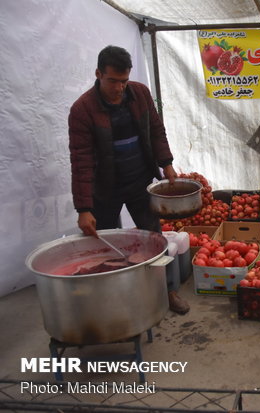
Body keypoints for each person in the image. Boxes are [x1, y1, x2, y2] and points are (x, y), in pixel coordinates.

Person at [68, 45, 190, 315]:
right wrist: (83, 208)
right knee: (106, 247)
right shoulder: (83, 109)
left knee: (154, 239)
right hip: (105, 189)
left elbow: (157, 130)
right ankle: (115, 300)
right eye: (113, 81)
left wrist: (166, 163)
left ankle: (166, 292)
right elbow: (81, 160)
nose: (120, 88)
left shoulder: (140, 94)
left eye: (124, 81)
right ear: (98, 74)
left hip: (140, 182)